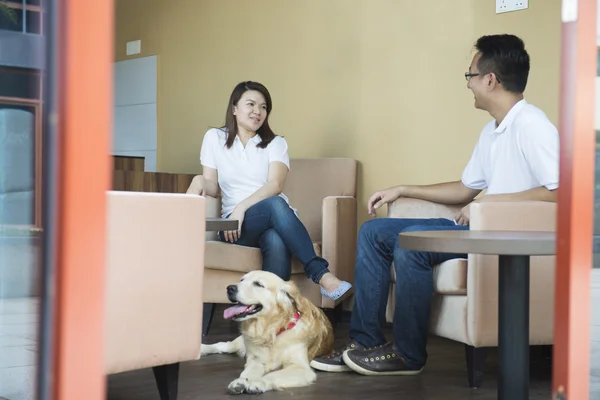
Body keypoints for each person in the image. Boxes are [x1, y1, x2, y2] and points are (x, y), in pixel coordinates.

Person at [310, 34, 559, 375]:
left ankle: (408, 356)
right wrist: (403, 188)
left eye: (470, 75)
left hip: (506, 236)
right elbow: (464, 188)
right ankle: (365, 343)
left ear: (490, 79)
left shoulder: (533, 125)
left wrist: (490, 205)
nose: (468, 84)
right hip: (480, 229)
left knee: (413, 242)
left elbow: (560, 191)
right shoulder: (493, 131)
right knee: (373, 232)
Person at [186, 81, 352, 300]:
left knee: (275, 237)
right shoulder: (215, 138)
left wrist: (242, 207)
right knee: (276, 205)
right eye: (251, 104)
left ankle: (270, 318)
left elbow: (275, 185)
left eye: (264, 107)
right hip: (235, 227)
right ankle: (321, 274)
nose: (258, 112)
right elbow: (212, 184)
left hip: (268, 216)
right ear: (234, 109)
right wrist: (198, 181)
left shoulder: (275, 143)